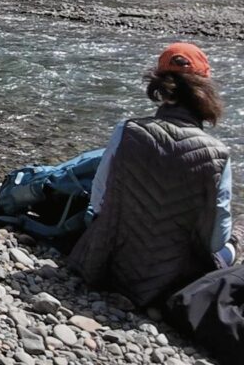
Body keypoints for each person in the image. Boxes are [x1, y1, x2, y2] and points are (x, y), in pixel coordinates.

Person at [68, 42, 234, 307]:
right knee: (233, 244)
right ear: (205, 89)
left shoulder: (128, 130)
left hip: (104, 265)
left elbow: (98, 201)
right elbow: (216, 240)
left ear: (158, 84)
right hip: (172, 283)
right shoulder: (218, 153)